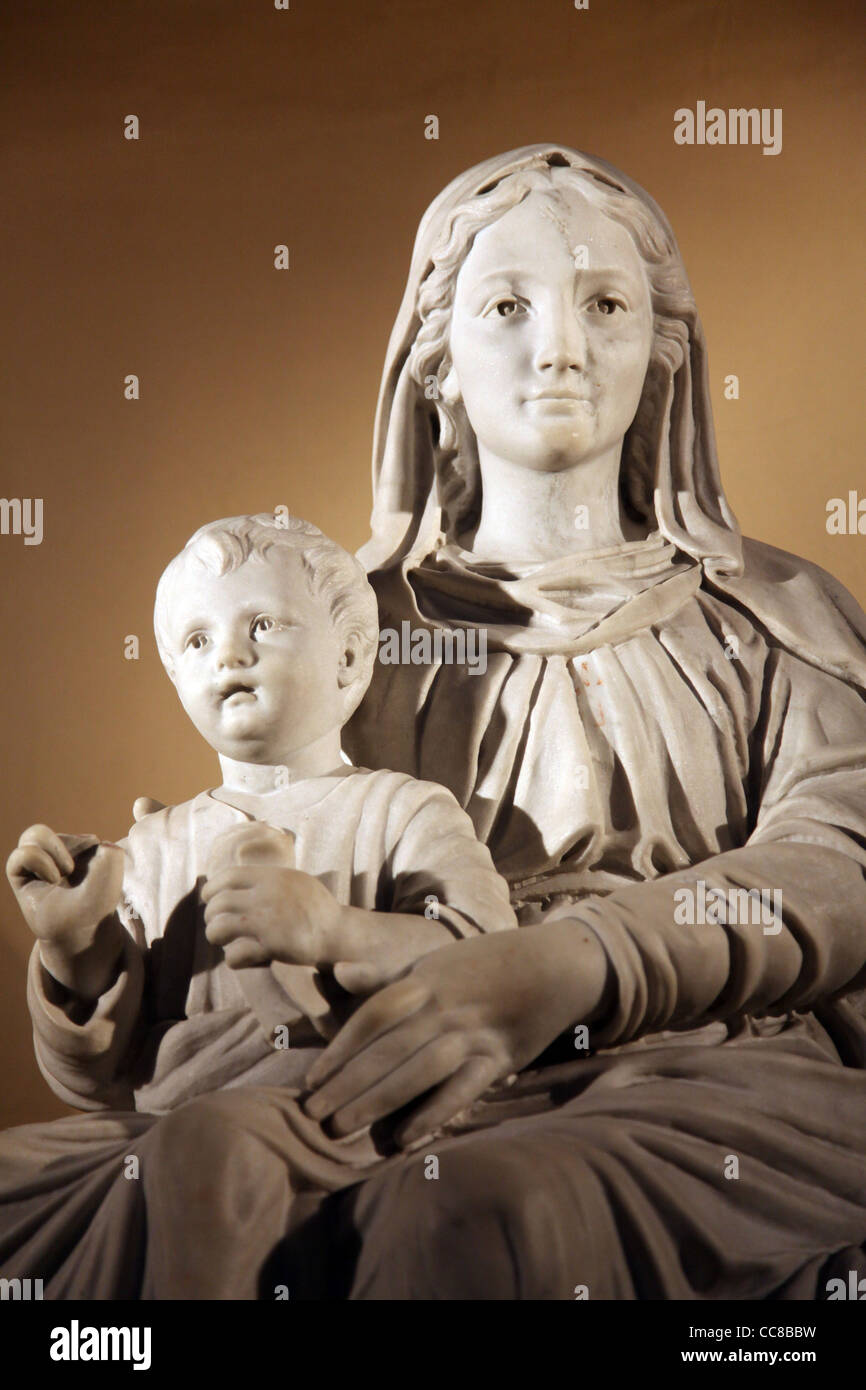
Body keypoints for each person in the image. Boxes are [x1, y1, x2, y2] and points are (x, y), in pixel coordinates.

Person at [278, 145, 866, 1299]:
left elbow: (836, 869)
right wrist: (107, 968)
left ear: (661, 352)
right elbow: (264, 874)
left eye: (604, 304)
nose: (558, 348)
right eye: (506, 307)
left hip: (704, 1066)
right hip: (400, 1049)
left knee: (472, 1218)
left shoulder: (776, 615)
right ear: (436, 359)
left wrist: (568, 963)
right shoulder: (344, 626)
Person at [0, 512, 515, 1298]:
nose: (228, 656)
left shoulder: (402, 810)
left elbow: (492, 962)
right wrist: (76, 952)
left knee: (210, 1146)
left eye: (262, 625)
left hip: (332, 1111)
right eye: (197, 642)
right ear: (175, 677)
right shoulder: (154, 843)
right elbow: (96, 1082)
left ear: (348, 658)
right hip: (161, 1119)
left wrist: (333, 929)